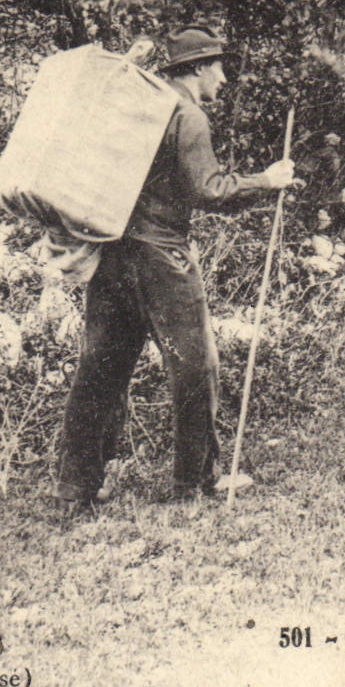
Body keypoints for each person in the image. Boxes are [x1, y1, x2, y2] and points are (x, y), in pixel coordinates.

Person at [55, 26, 296, 513]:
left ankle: (75, 488)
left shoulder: (142, 108)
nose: (224, 78)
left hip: (111, 253)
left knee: (101, 368)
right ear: (197, 68)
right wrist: (266, 181)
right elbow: (209, 190)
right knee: (194, 367)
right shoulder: (187, 115)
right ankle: (194, 483)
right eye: (218, 67)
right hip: (162, 258)